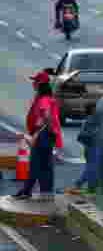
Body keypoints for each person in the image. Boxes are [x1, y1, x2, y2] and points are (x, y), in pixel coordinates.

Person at [13, 71, 63, 201]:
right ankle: (45, 192)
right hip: (46, 134)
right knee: (45, 165)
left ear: (40, 84)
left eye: (35, 81)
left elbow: (46, 115)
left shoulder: (43, 100)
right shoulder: (48, 98)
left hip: (43, 135)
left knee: (36, 164)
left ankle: (27, 191)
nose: (33, 84)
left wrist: (45, 129)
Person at [66, 85, 103, 195]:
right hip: (95, 144)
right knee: (93, 167)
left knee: (98, 166)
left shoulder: (99, 110)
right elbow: (101, 131)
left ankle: (97, 189)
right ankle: (78, 185)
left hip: (93, 143)